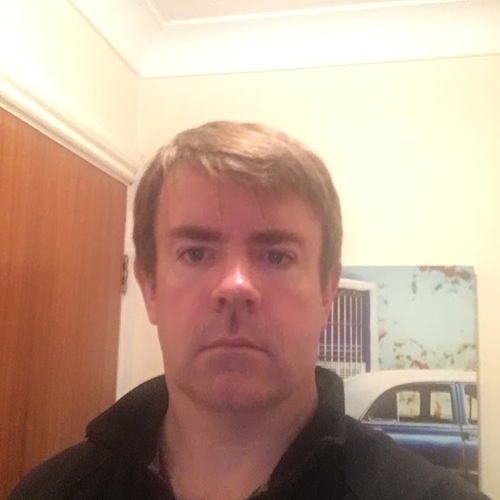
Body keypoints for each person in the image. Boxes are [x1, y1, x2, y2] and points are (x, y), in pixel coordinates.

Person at [9, 121, 490, 500]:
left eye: (276, 256)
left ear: (327, 291)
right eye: (195, 252)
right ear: (149, 287)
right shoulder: (48, 493)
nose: (235, 286)